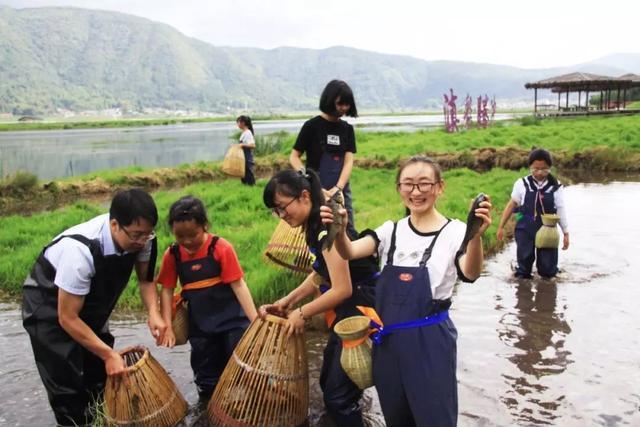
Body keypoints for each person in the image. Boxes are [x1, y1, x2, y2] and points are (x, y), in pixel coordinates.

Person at [321, 155, 492, 427]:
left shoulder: (455, 231)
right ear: (399, 188)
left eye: (424, 184)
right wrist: (339, 231)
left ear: (439, 187)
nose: (416, 191)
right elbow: (350, 251)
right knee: (396, 417)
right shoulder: (391, 231)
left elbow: (470, 272)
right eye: (408, 184)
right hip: (388, 344)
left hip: (431, 342)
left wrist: (475, 238)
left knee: (435, 417)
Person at [22, 188, 165, 426]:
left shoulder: (144, 239)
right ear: (115, 224)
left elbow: (146, 280)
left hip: (90, 300)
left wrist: (153, 312)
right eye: (136, 235)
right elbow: (67, 318)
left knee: (100, 376)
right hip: (47, 304)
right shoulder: (80, 251)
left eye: (147, 235)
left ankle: (100, 419)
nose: (142, 242)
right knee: (68, 386)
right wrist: (108, 354)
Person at [260, 169, 379, 427]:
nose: (281, 216)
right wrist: (288, 301)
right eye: (276, 211)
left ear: (304, 196)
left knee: (338, 396)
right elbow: (320, 272)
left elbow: (341, 289)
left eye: (282, 207)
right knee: (330, 383)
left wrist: (302, 313)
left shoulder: (325, 226)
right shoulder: (314, 223)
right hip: (349, 307)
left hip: (363, 308)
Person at [156, 195, 257, 401]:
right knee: (207, 378)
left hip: (233, 323)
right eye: (179, 236)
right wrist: (167, 325)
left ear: (205, 226)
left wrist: (256, 322)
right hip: (201, 327)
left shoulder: (220, 248)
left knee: (243, 369)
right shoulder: (173, 255)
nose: (186, 242)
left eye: (192, 235)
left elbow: (239, 286)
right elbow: (166, 290)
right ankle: (209, 409)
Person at [289, 79, 358, 237]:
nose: (344, 108)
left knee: (346, 229)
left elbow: (348, 160)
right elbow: (294, 157)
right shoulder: (311, 126)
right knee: (317, 231)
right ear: (329, 100)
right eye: (340, 104)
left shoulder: (347, 129)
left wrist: (338, 187)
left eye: (347, 104)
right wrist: (310, 181)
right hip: (316, 189)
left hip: (340, 190)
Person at [496, 148, 569, 279]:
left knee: (548, 272)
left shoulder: (556, 186)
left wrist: (566, 233)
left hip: (548, 230)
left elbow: (560, 209)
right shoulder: (522, 184)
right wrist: (501, 226)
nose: (540, 173)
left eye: (544, 169)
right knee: (523, 269)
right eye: (536, 169)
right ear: (530, 167)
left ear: (550, 168)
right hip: (525, 227)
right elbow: (511, 204)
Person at [237, 115, 256, 186]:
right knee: (244, 176)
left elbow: (253, 145)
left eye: (238, 122)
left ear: (243, 123)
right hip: (243, 158)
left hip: (247, 158)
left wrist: (242, 145)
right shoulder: (244, 133)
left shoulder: (248, 133)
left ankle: (252, 189)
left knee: (249, 176)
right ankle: (246, 189)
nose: (237, 124)